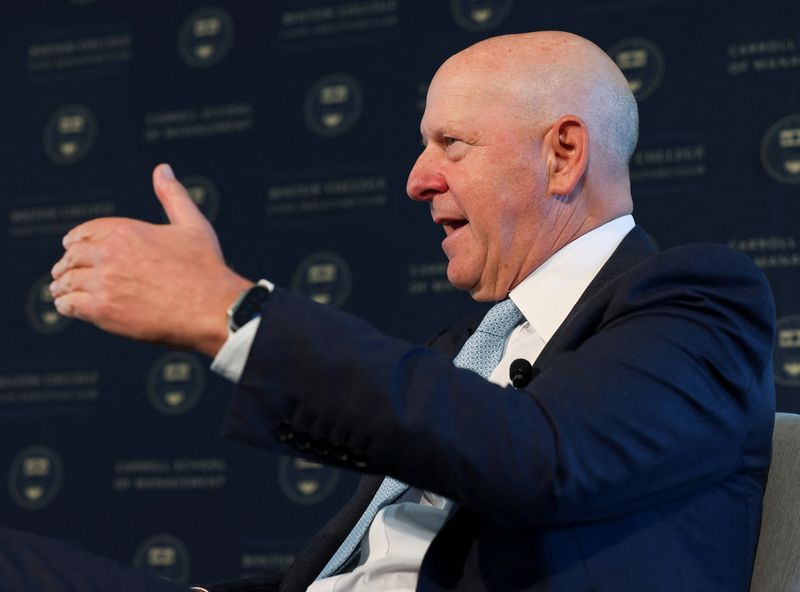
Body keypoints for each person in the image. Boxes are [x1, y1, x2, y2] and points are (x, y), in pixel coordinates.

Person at [42, 31, 775, 591]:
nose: (417, 180)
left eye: (451, 144)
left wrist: (232, 312)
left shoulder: (697, 302)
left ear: (563, 154)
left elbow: (541, 458)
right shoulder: (469, 345)